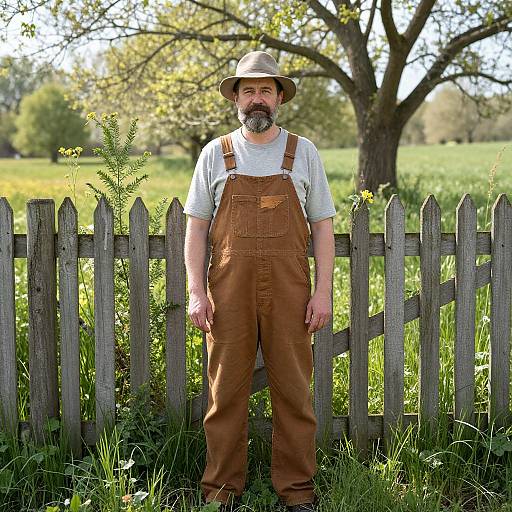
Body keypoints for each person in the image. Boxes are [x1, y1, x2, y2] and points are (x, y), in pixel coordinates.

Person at [183, 50, 336, 512]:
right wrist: (196, 291)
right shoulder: (216, 154)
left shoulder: (302, 152)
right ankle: (221, 493)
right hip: (227, 291)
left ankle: (297, 493)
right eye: (248, 90)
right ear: (235, 99)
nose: (256, 99)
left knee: (293, 392)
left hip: (290, 290)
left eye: (265, 90)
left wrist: (323, 291)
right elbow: (196, 230)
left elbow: (323, 228)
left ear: (279, 98)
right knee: (225, 392)